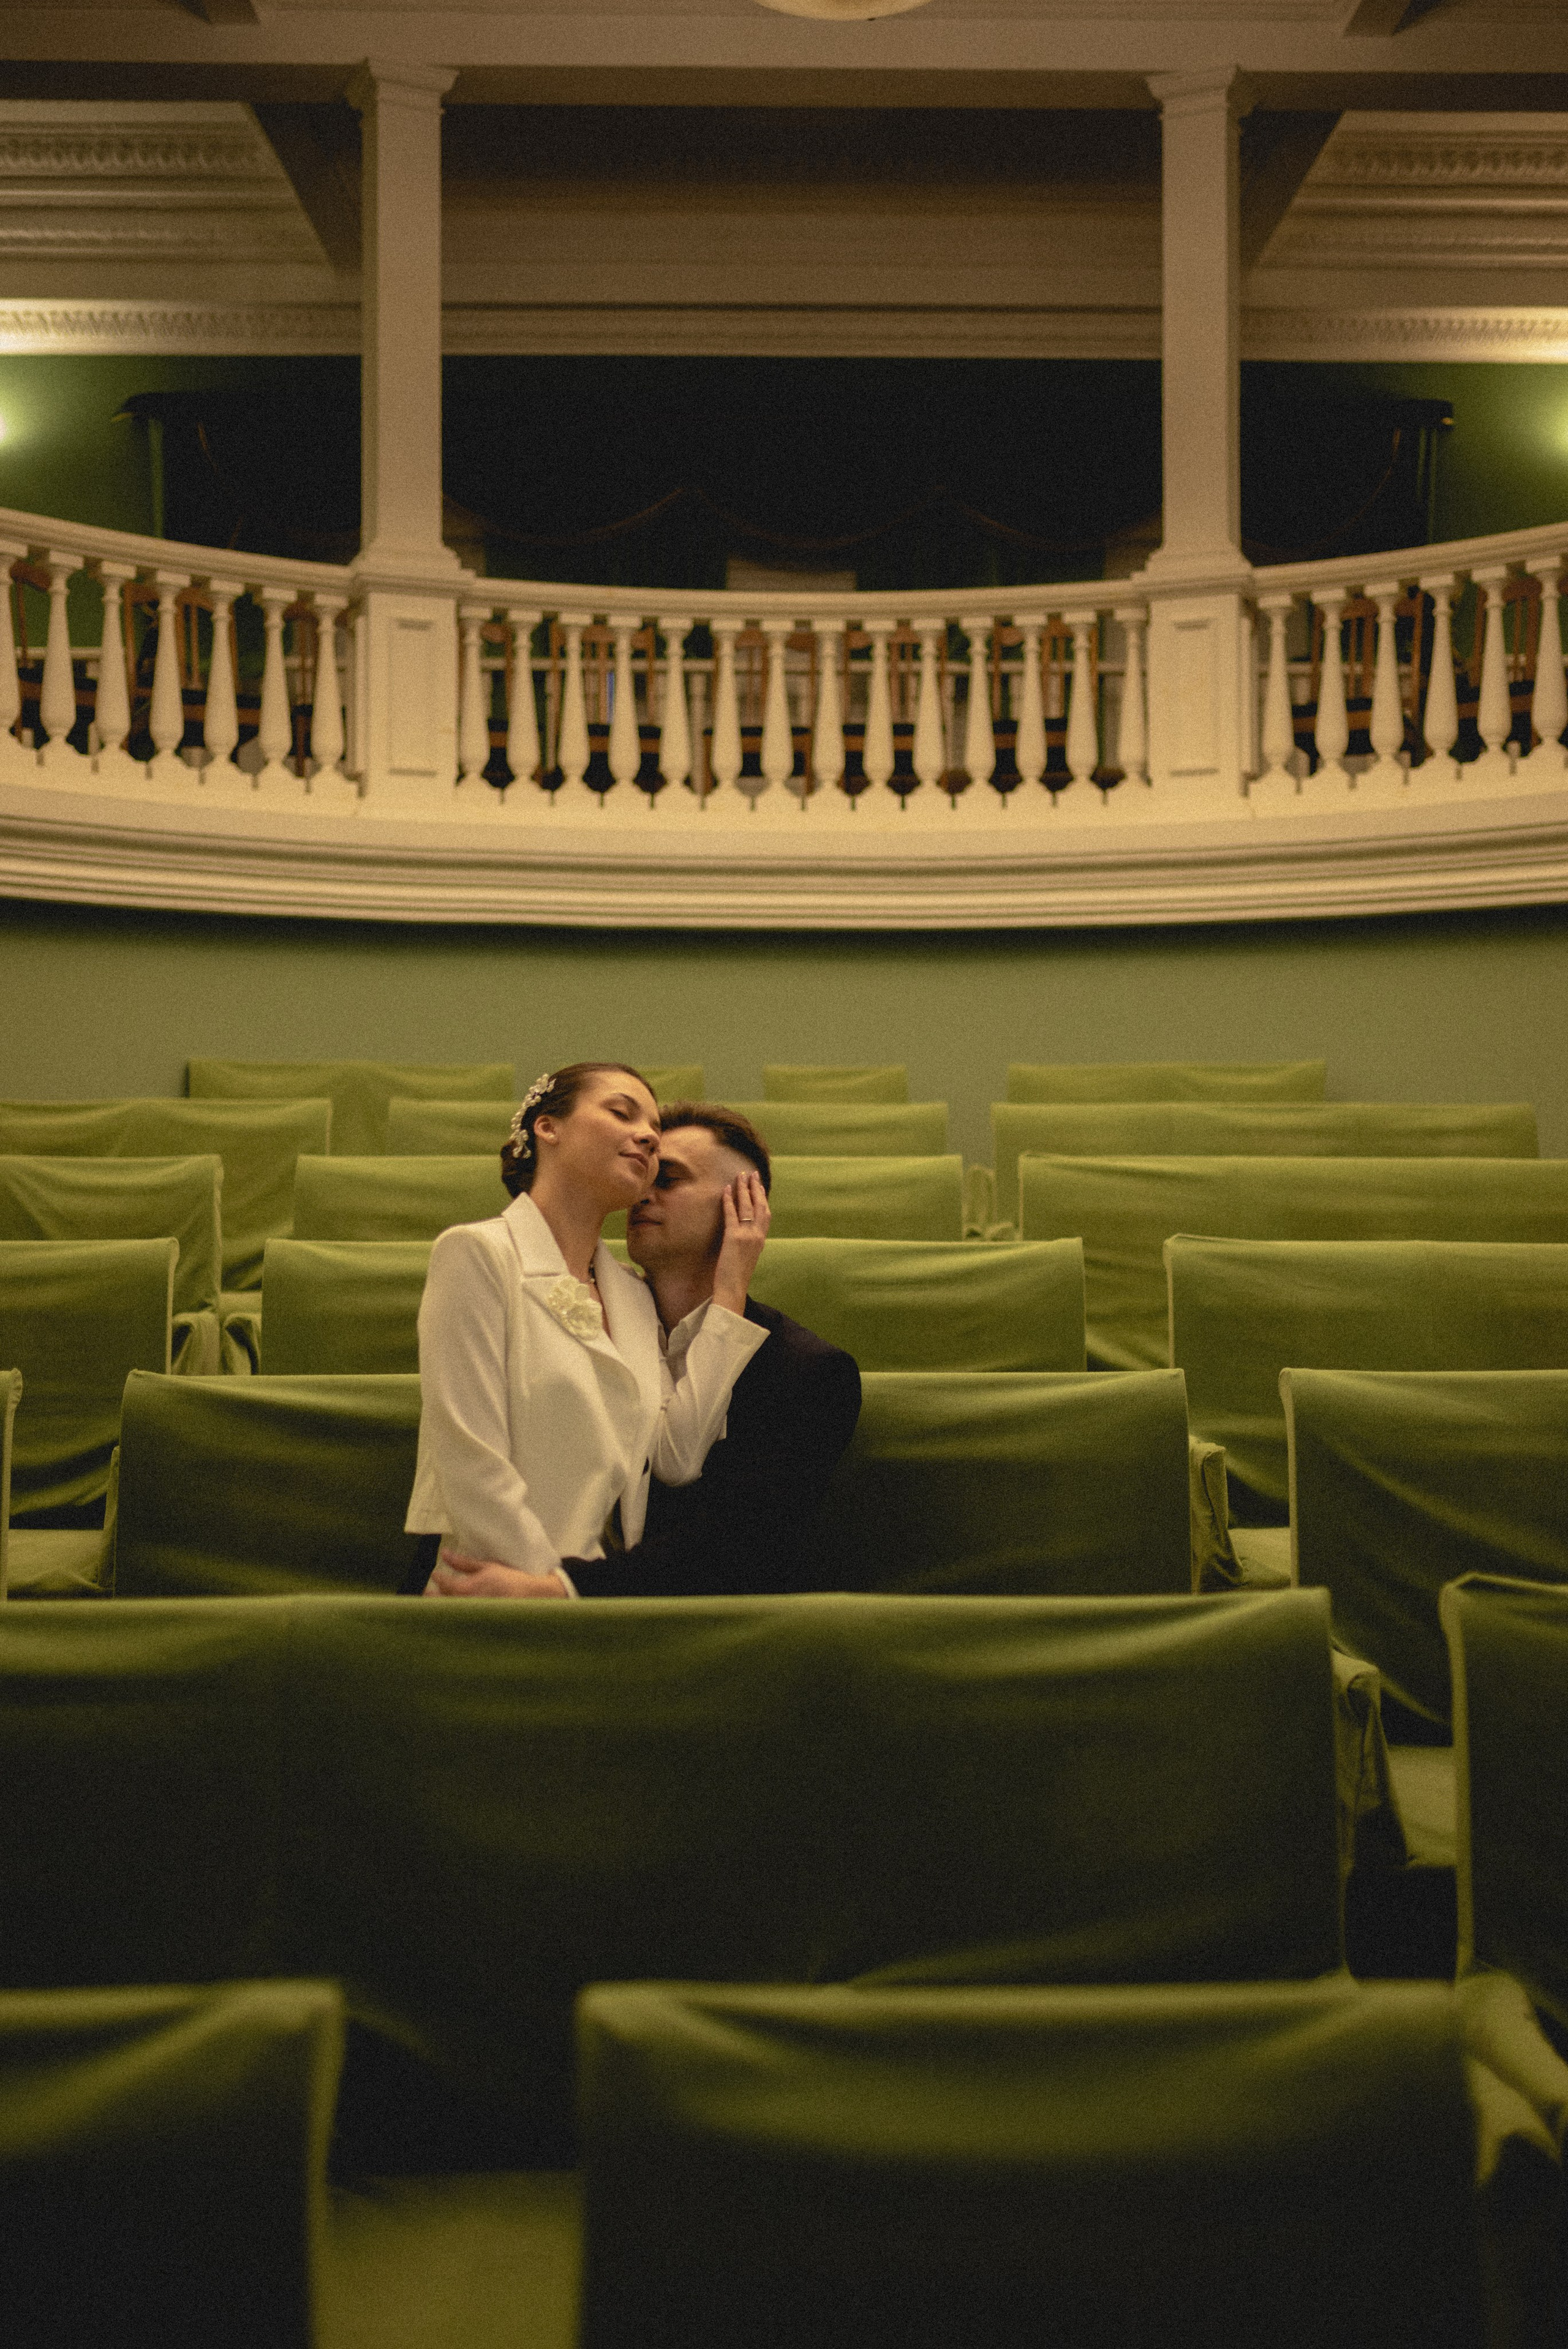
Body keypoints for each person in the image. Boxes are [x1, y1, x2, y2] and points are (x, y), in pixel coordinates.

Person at [432, 1101, 862, 1601]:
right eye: (644, 1177)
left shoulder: (806, 1371)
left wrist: (557, 1590)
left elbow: (742, 1550)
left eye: (670, 1179)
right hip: (491, 1583)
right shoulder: (576, 1315)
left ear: (743, 1205)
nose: (643, 1193)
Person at [405, 1062, 771, 1598]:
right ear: (547, 1128)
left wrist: (731, 1285)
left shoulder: (630, 1293)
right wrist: (545, 1594)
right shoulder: (478, 1255)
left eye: (652, 1125)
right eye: (622, 1113)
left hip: (586, 1607)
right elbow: (471, 1464)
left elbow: (677, 1456)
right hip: (490, 1594)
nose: (648, 1134)